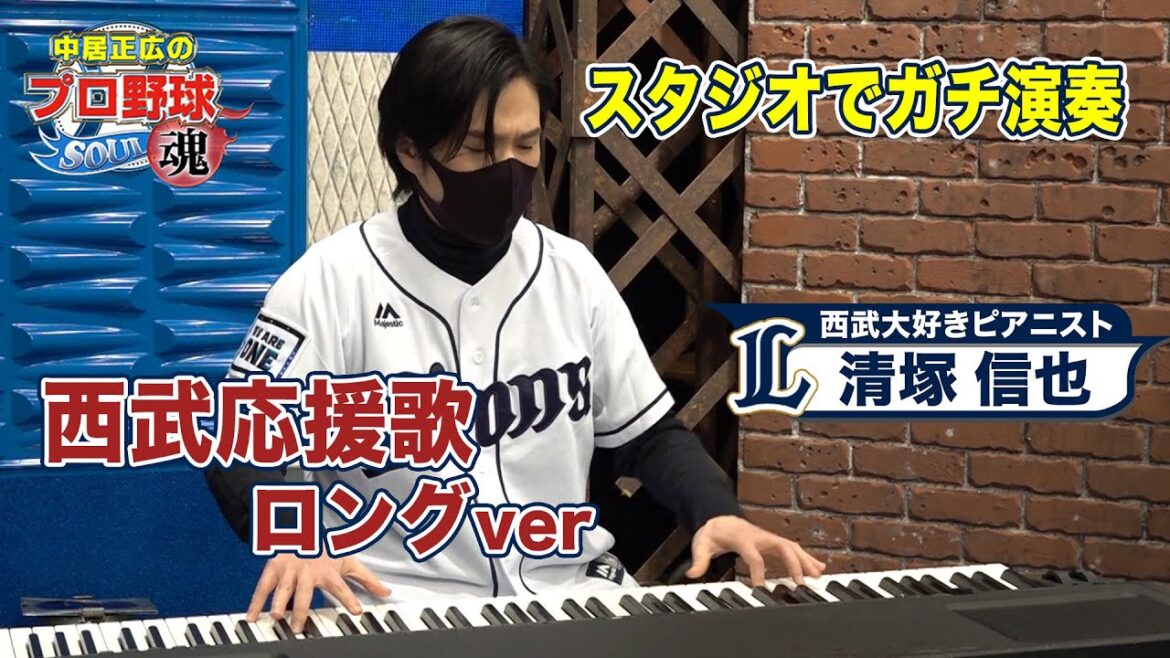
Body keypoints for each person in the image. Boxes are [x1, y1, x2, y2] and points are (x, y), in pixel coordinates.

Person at [205, 15, 825, 634]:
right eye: (479, 148)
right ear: (411, 151)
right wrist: (295, 536)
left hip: (569, 599)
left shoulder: (570, 272)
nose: (507, 169)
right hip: (396, 609)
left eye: (525, 145)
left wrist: (716, 511)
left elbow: (649, 434)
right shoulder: (331, 279)